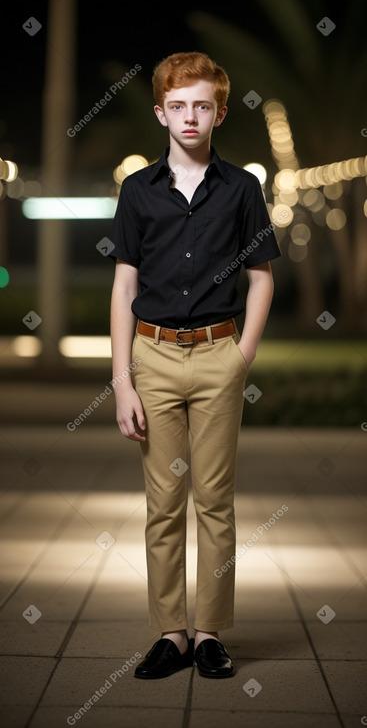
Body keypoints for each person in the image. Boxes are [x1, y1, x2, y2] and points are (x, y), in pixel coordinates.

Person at [109, 51, 281, 679]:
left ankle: (208, 633)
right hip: (151, 358)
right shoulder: (137, 191)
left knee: (215, 501)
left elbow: (261, 280)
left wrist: (241, 358)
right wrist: (122, 380)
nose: (189, 116)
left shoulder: (241, 189)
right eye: (177, 106)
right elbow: (124, 286)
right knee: (162, 503)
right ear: (160, 112)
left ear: (219, 113)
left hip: (218, 357)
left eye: (201, 106)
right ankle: (170, 634)